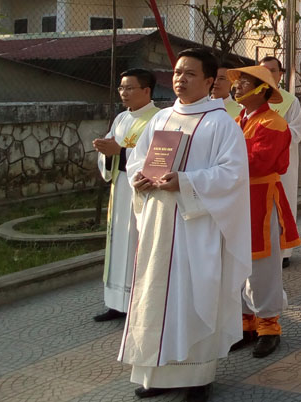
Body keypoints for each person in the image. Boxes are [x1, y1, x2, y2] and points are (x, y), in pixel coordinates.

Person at [121, 48, 251, 402]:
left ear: (210, 82)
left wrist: (187, 182)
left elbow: (233, 175)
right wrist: (140, 180)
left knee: (194, 297)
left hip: (198, 229)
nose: (180, 78)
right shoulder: (161, 120)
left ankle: (198, 376)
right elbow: (137, 162)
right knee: (155, 297)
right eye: (177, 72)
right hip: (160, 226)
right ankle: (156, 374)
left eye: (190, 74)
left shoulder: (221, 123)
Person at [228, 65, 300, 359]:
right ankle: (246, 323)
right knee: (238, 263)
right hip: (237, 199)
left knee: (264, 265)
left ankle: (269, 326)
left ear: (262, 89)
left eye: (244, 82)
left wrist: (225, 159)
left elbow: (258, 162)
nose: (237, 86)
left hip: (262, 197)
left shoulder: (273, 123)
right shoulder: (235, 120)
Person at [92, 68, 160, 322]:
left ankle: (139, 302)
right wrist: (105, 150)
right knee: (118, 243)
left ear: (146, 90)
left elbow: (156, 159)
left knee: (137, 244)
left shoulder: (159, 118)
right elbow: (112, 151)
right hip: (119, 191)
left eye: (129, 88)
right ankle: (116, 303)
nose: (124, 93)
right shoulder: (121, 118)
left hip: (142, 195)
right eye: (121, 88)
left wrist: (119, 151)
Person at [262, 56, 301, 269]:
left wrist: (273, 137)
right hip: (258, 165)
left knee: (283, 203)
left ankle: (285, 250)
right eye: (263, 70)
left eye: (272, 70)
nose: (268, 74)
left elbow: (296, 131)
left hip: (282, 163)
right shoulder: (253, 100)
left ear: (280, 74)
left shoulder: (290, 101)